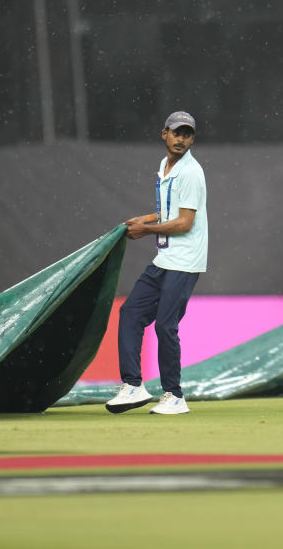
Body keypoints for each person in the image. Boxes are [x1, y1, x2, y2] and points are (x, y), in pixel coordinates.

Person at [106, 111, 207, 416]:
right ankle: (133, 385)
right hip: (165, 257)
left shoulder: (191, 172)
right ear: (164, 134)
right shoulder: (165, 166)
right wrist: (147, 218)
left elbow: (186, 223)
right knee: (131, 312)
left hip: (186, 260)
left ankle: (174, 396)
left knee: (165, 325)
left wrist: (146, 229)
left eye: (187, 134)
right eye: (177, 133)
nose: (181, 139)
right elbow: (170, 210)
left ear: (192, 139)